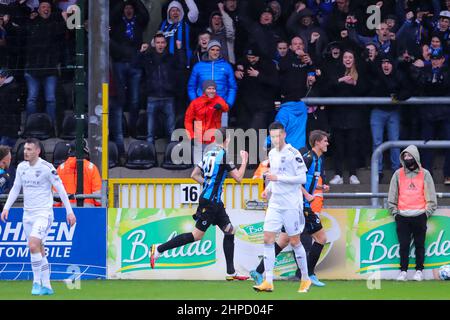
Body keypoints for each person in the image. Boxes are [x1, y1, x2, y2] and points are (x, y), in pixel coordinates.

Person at [149, 128, 249, 281]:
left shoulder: (208, 154)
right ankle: (159, 249)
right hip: (210, 203)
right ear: (227, 139)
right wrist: (244, 160)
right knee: (196, 236)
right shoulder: (223, 155)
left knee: (229, 230)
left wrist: (208, 184)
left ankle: (231, 272)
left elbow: (194, 175)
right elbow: (239, 178)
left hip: (214, 201)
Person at [251, 130, 329, 288]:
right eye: (325, 141)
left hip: (297, 204)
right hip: (299, 204)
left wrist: (319, 187)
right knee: (321, 238)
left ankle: (259, 271)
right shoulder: (307, 158)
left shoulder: (319, 160)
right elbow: (298, 181)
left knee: (285, 240)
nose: (327, 143)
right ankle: (309, 274)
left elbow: (304, 181)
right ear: (317, 143)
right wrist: (307, 195)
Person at [1, 138, 76, 295]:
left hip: (44, 214)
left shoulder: (47, 168)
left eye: (29, 149)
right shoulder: (21, 167)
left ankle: (36, 283)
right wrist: (6, 208)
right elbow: (15, 189)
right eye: (25, 149)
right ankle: (47, 286)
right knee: (39, 249)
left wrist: (69, 211)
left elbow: (61, 189)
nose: (25, 152)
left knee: (33, 245)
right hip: (27, 215)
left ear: (38, 151)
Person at [252, 121, 310, 293]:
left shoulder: (293, 153)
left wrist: (278, 179)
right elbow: (274, 176)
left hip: (291, 204)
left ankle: (305, 279)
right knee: (268, 239)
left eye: (278, 136)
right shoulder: (271, 153)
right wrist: (268, 189)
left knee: (294, 241)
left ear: (284, 135)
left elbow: (302, 179)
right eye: (273, 136)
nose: (276, 139)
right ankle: (268, 281)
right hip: (275, 203)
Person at [388, 145, 437, 281]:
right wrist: (395, 213)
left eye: (410, 156)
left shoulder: (425, 173)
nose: (407, 158)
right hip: (402, 216)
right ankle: (403, 271)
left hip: (420, 215)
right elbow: (392, 196)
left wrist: (425, 213)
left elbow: (431, 196)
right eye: (405, 156)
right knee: (403, 245)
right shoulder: (398, 174)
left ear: (416, 157)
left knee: (420, 245)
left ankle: (419, 271)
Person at [110, 0, 149, 137]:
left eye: (130, 8)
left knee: (135, 99)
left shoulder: (138, 22)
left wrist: (134, 1)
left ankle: (133, 128)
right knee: (120, 98)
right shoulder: (116, 22)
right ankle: (121, 129)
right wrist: (124, 2)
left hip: (135, 64)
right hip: (119, 63)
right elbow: (112, 14)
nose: (128, 10)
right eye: (126, 8)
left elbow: (145, 15)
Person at [138, 32, 185, 144]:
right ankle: (150, 156)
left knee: (171, 132)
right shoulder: (147, 57)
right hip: (152, 97)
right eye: (158, 42)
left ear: (166, 44)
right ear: (154, 44)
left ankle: (171, 158)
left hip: (168, 97)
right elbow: (135, 65)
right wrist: (140, 52)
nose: (160, 45)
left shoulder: (171, 58)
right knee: (150, 133)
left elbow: (182, 65)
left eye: (162, 42)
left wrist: (179, 49)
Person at [187, 40, 237, 126]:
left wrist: (228, 104)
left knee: (221, 135)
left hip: (221, 107)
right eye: (212, 49)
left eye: (217, 50)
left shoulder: (226, 66)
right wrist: (196, 103)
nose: (215, 52)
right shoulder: (198, 66)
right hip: (202, 107)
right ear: (208, 50)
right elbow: (191, 87)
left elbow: (232, 87)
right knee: (201, 135)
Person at [55, 139, 102, 207]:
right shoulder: (92, 168)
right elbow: (98, 196)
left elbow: (56, 195)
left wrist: (57, 209)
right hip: (88, 212)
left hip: (66, 211)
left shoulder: (60, 168)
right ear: (85, 150)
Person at [184, 80, 229, 145]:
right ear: (204, 90)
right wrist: (191, 136)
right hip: (199, 138)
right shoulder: (195, 103)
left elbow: (226, 110)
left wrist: (222, 107)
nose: (211, 91)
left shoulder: (219, 100)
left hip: (215, 138)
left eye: (213, 89)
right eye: (209, 89)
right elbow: (188, 121)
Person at [0, 67, 21, 148]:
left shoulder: (12, 88)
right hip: (3, 126)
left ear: (5, 77)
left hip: (9, 128)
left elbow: (10, 109)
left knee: (2, 152)